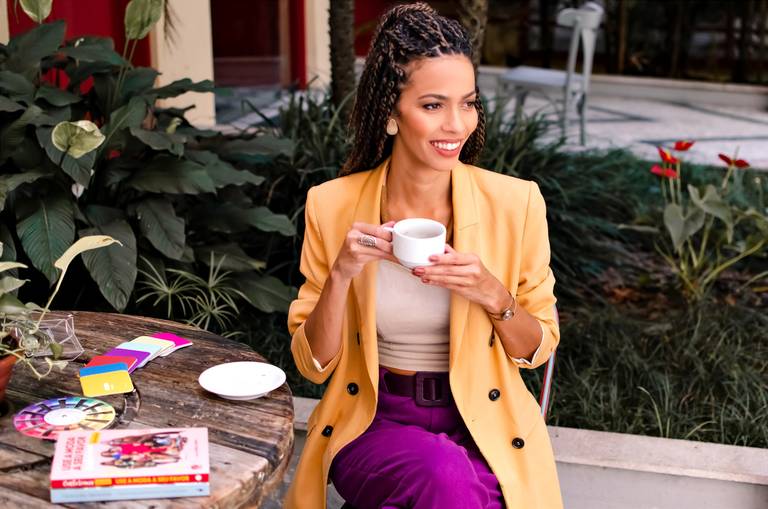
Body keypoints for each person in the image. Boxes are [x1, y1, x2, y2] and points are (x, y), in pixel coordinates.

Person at [285, 3, 561, 508]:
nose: (456, 124)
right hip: (373, 420)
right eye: (433, 105)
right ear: (391, 112)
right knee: (443, 476)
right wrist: (342, 275)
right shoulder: (333, 205)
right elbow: (314, 365)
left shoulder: (515, 203)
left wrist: (492, 294)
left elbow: (536, 350)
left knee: (449, 483)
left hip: (482, 421)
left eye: (468, 104)